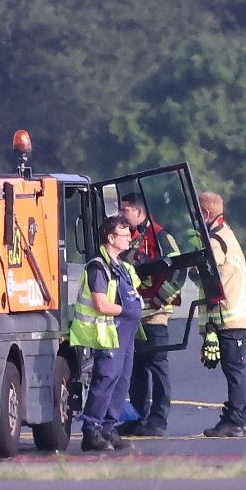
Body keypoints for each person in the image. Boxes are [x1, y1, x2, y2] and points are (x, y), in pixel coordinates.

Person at [70, 214, 144, 452]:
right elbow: (100, 304)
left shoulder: (123, 267)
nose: (130, 240)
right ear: (111, 238)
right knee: (105, 380)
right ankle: (91, 430)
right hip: (109, 332)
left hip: (126, 334)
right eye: (124, 236)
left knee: (122, 381)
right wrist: (126, 311)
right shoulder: (98, 267)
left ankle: (108, 428)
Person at [116, 192, 184, 437]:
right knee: (135, 369)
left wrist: (159, 299)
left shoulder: (161, 236)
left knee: (157, 366)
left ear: (139, 211)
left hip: (155, 315)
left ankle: (158, 419)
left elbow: (179, 272)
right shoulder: (128, 238)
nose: (121, 215)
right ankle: (137, 416)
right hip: (133, 316)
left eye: (125, 211)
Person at [197, 192, 246, 438]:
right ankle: (235, 416)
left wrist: (211, 326)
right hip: (235, 316)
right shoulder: (227, 234)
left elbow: (209, 277)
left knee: (235, 370)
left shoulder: (215, 241)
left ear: (206, 214)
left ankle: (237, 419)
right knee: (234, 369)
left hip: (230, 317)